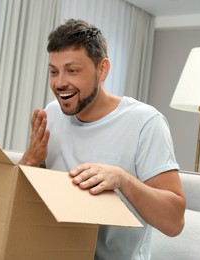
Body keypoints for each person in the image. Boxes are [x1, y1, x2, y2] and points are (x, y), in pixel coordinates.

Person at [19, 18, 186, 260]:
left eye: (72, 70)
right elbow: (23, 202)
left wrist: (123, 179)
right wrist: (31, 159)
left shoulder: (145, 123)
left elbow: (174, 222)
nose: (59, 83)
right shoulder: (52, 114)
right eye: (53, 71)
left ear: (102, 70)